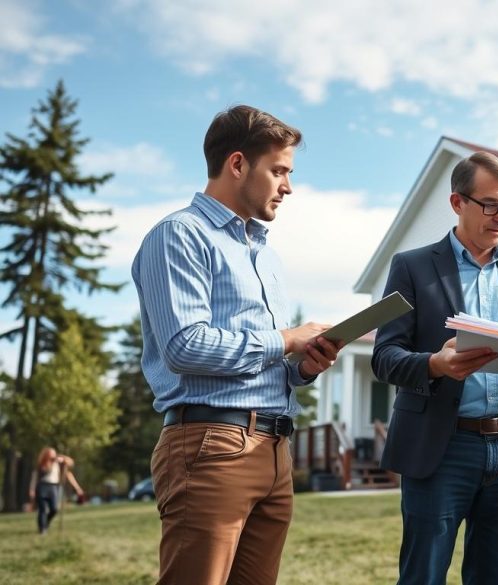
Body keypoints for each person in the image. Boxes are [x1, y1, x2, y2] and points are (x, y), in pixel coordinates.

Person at [131, 105, 344, 585]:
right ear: (238, 164)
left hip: (273, 449)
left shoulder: (265, 256)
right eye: (279, 170)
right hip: (212, 446)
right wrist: (288, 338)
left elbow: (265, 360)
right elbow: (185, 346)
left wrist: (303, 366)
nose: (288, 186)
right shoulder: (179, 236)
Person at [373, 151, 498, 584]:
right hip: (441, 449)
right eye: (491, 204)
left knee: (496, 575)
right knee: (423, 574)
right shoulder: (411, 267)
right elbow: (385, 358)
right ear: (457, 203)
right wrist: (435, 365)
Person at [28, 447, 85, 535]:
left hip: (53, 487)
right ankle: (42, 529)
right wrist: (32, 490)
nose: (53, 456)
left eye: (54, 454)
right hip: (42, 487)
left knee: (54, 509)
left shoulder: (59, 464)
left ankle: (45, 523)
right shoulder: (42, 465)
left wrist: (63, 458)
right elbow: (35, 477)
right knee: (42, 509)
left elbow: (70, 463)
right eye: (51, 454)